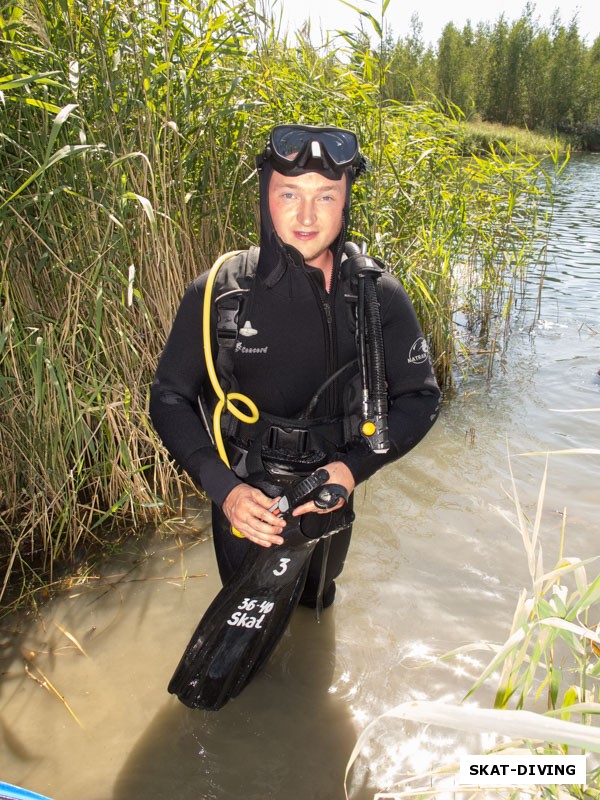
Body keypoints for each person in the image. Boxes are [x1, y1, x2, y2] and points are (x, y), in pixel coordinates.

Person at [150, 124, 441, 611]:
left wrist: (351, 471)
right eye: (290, 193)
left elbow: (421, 398)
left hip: (329, 498)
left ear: (346, 201)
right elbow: (169, 397)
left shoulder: (375, 296)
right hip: (244, 498)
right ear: (266, 194)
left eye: (326, 196)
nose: (307, 215)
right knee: (246, 609)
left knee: (316, 607)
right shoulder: (220, 291)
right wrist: (226, 490)